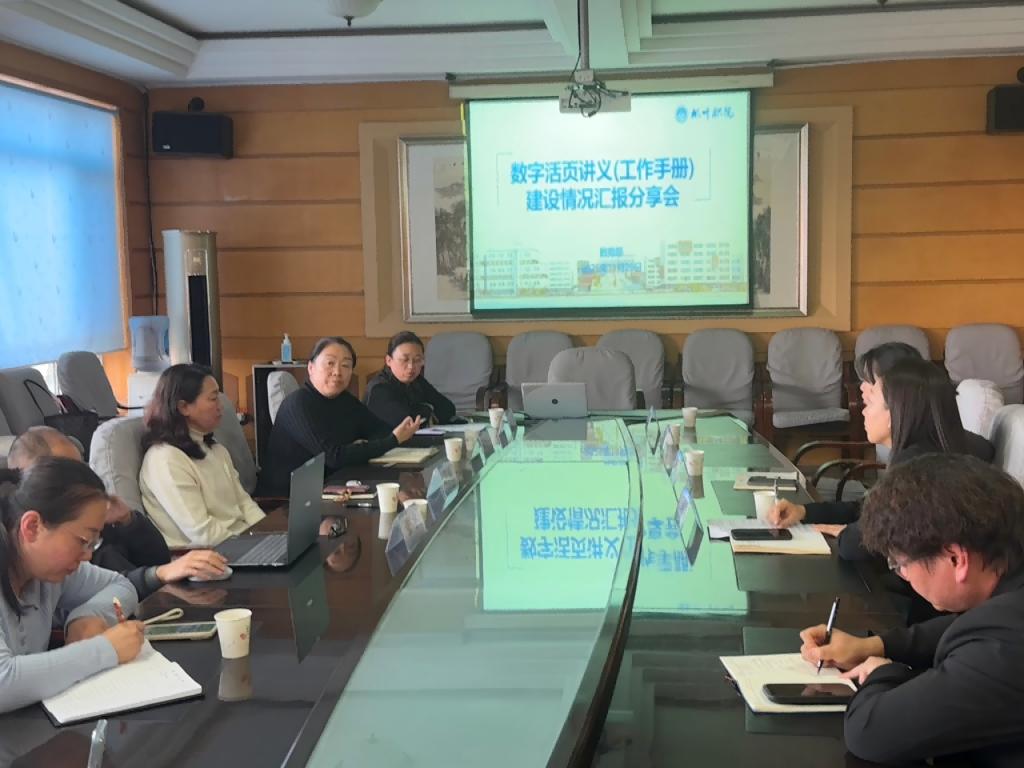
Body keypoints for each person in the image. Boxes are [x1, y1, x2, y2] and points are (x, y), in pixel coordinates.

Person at [799, 455, 1024, 767]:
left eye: (901, 564)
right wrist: (872, 646)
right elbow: (964, 629)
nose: (903, 575)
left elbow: (870, 733)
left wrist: (882, 673)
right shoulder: (1007, 591)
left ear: (956, 559)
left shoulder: (1006, 648)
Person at [767, 357, 992, 559]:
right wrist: (804, 512)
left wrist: (847, 534)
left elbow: (857, 545)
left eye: (870, 403)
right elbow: (867, 507)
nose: (863, 411)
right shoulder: (928, 451)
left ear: (895, 412)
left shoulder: (916, 469)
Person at [7, 427, 226, 598]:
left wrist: (129, 521)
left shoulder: (88, 514)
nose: (81, 481)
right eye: (66, 473)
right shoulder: (48, 552)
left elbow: (151, 562)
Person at [0, 457, 144, 715]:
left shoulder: (50, 571)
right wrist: (106, 649)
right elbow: (3, 682)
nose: (87, 555)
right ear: (32, 527)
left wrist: (86, 616)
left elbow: (122, 585)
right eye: (83, 540)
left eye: (93, 543)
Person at [265, 337, 422, 495]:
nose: (337, 372)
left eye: (345, 365)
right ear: (311, 368)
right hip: (289, 499)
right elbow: (334, 457)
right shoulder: (298, 404)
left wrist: (363, 446)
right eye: (330, 363)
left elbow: (380, 431)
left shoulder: (344, 400)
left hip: (335, 485)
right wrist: (391, 441)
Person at [140, 364, 265, 548]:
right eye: (213, 399)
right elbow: (203, 533)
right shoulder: (165, 459)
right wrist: (253, 546)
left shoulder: (216, 449)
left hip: (242, 543)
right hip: (211, 554)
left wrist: (270, 534)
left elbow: (244, 503)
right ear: (184, 407)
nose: (221, 406)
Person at [365, 331, 457, 429]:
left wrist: (422, 410)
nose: (411, 366)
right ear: (389, 360)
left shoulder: (416, 381)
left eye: (417, 360)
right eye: (404, 360)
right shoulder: (379, 389)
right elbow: (407, 422)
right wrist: (428, 408)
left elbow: (448, 408)